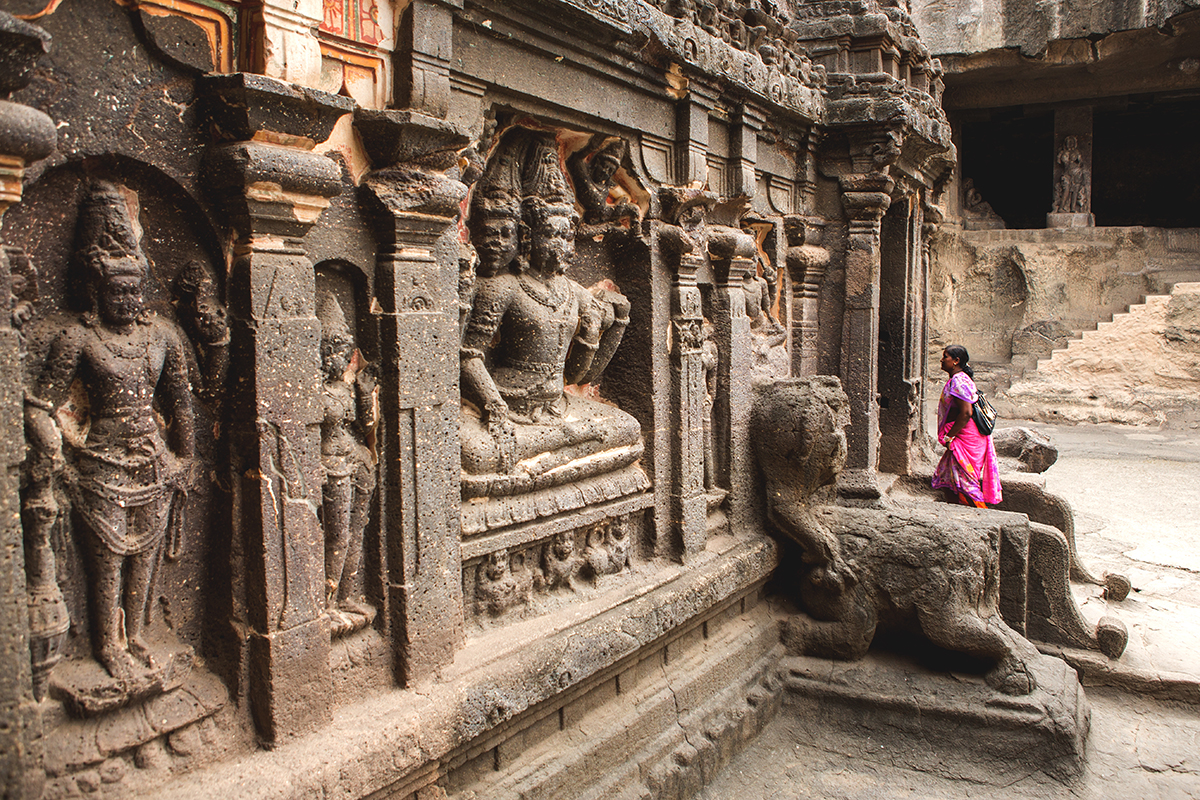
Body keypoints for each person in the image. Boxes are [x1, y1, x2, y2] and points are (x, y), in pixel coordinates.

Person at [932, 345, 1001, 508]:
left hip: (966, 438)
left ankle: (981, 518)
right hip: (966, 436)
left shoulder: (959, 381)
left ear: (956, 361)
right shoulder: (958, 379)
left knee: (967, 483)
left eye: (945, 356)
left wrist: (950, 436)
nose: (942, 360)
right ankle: (958, 512)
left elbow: (966, 413)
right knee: (952, 477)